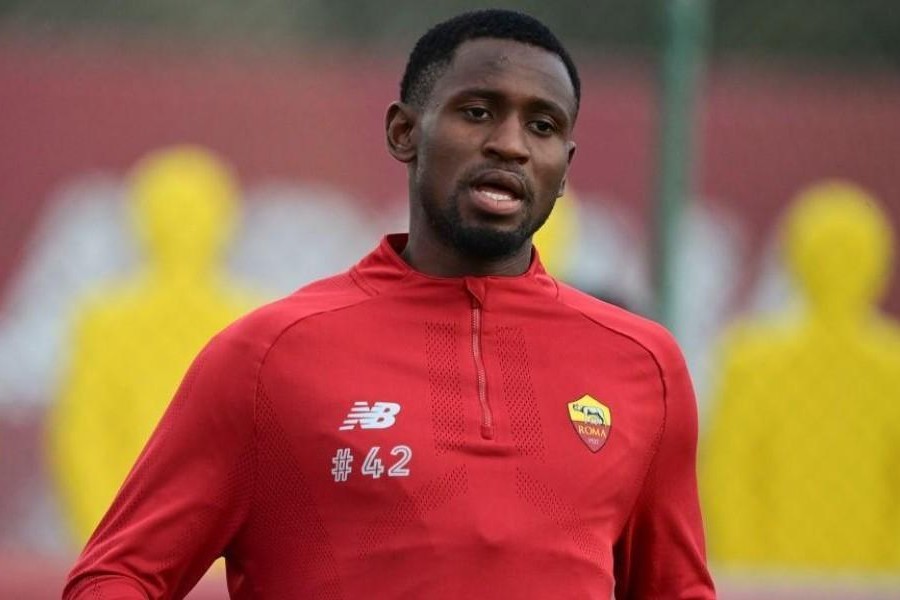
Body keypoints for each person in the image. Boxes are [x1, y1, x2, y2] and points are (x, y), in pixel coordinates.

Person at [64, 9, 715, 599]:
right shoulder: (268, 356)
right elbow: (116, 576)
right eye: (478, 112)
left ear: (564, 167)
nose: (511, 144)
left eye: (541, 126)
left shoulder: (644, 366)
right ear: (405, 132)